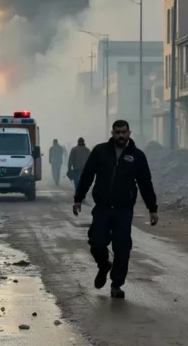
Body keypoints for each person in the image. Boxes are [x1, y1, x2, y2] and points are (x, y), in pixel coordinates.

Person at [73, 120, 158, 300]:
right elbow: (87, 175)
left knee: (122, 247)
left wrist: (152, 208)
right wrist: (78, 198)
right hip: (102, 207)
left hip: (123, 210)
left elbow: (145, 183)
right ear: (112, 133)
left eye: (124, 132)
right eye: (117, 132)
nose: (121, 135)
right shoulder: (100, 151)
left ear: (129, 133)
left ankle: (116, 284)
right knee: (96, 242)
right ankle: (103, 265)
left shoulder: (137, 156)